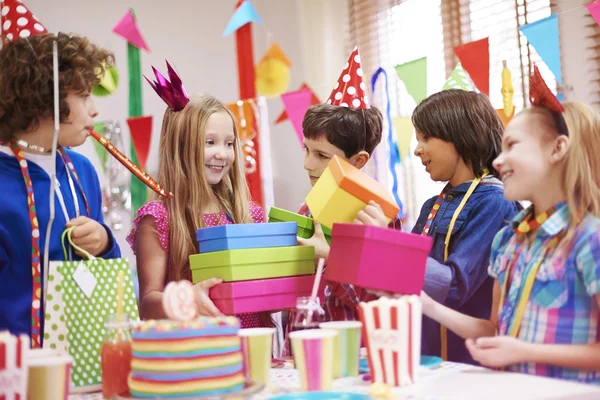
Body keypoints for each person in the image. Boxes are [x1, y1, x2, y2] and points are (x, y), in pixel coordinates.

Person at [421, 66, 600, 383]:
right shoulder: (509, 241)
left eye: (512, 145)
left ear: (558, 148)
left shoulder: (589, 240)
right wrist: (425, 305)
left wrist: (523, 351)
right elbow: (496, 329)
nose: (498, 161)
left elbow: (517, 346)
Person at [356, 89, 520, 363]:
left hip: (468, 362)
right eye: (417, 138)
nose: (417, 148)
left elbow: (454, 286)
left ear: (461, 135)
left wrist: (388, 245)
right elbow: (405, 278)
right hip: (425, 355)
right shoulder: (433, 204)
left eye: (425, 138)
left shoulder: (495, 202)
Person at [0, 33, 120, 346]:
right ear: (43, 99)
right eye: (84, 96)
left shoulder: (83, 170)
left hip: (87, 355)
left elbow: (107, 267)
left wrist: (104, 242)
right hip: (17, 369)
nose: (94, 110)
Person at [127, 64, 267, 328]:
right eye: (209, 142)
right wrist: (188, 298)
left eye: (229, 143)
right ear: (181, 148)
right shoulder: (159, 219)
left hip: (253, 348)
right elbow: (147, 303)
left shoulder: (250, 215)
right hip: (196, 352)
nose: (222, 154)